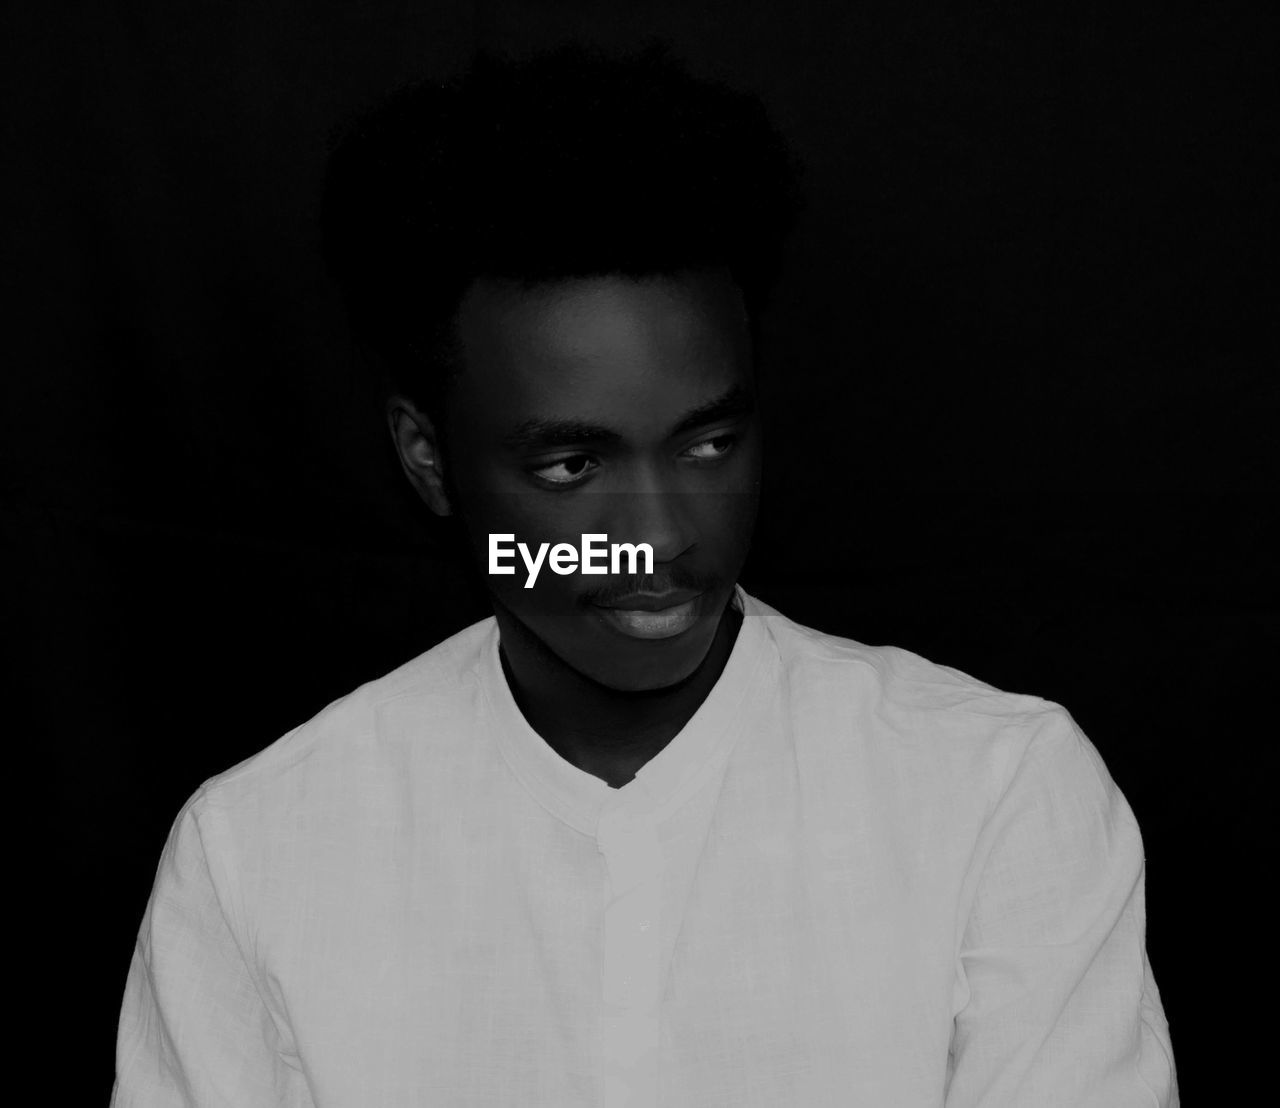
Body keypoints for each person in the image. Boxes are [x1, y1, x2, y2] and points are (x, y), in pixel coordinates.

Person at [110, 43, 1178, 1106]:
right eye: (573, 464)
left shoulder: (995, 796)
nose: (664, 534)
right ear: (427, 459)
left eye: (708, 444)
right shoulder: (259, 850)